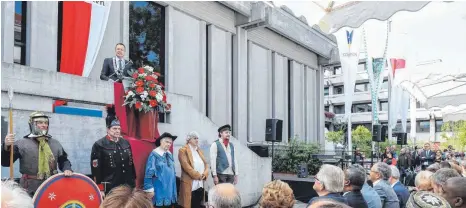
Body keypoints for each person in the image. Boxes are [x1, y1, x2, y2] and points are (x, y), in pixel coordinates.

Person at [1, 112, 73, 196]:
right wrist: (6, 146)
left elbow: (63, 160)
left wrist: (67, 168)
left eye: (46, 123)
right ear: (32, 124)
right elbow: (5, 162)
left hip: (51, 186)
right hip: (29, 187)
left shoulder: (55, 143)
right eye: (40, 122)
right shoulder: (21, 144)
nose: (44, 125)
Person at [90, 107, 136, 196]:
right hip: (111, 187)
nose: (117, 131)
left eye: (119, 129)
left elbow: (131, 165)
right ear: (108, 129)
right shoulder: (99, 145)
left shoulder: (125, 143)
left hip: (127, 185)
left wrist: (133, 184)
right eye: (114, 129)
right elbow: (96, 169)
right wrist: (100, 188)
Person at [143, 132, 178, 207]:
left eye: (170, 143)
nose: (169, 144)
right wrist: (149, 189)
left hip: (169, 190)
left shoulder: (169, 154)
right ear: (161, 141)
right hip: (159, 190)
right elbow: (148, 174)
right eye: (167, 142)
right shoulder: (154, 155)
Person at [178, 131, 209, 208]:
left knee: (198, 204)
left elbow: (206, 164)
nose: (197, 140)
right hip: (190, 184)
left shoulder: (199, 150)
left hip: (200, 183)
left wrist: (205, 174)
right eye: (194, 138)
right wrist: (198, 175)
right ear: (189, 139)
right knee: (190, 204)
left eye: (197, 138)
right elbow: (186, 166)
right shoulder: (183, 150)